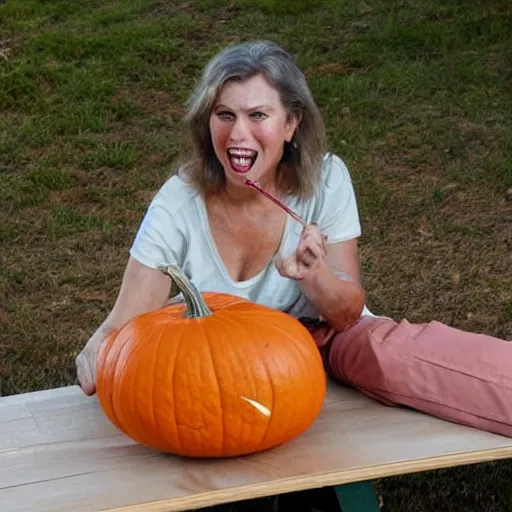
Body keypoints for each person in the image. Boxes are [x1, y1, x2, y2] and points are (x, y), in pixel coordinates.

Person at [76, 40, 512, 443]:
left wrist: (314, 277)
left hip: (322, 339)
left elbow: (346, 313)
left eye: (257, 116)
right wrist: (98, 352)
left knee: (391, 352)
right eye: (224, 115)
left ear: (291, 124)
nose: (238, 134)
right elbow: (124, 326)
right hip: (226, 365)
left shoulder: (326, 180)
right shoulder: (179, 201)